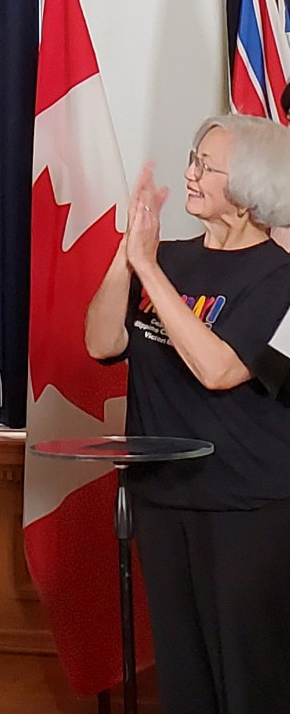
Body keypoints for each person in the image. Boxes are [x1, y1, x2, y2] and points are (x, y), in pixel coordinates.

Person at [85, 113, 290, 714]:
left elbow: (219, 368)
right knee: (185, 682)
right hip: (163, 499)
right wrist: (130, 254)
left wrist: (149, 270)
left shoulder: (280, 279)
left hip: (246, 511)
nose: (189, 174)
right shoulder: (166, 257)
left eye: (206, 166)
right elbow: (101, 342)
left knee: (252, 683)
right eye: (192, 159)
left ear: (252, 187)